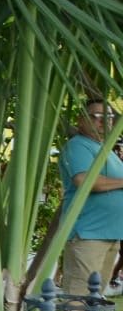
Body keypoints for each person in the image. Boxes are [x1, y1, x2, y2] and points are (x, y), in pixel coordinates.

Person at [57, 96, 123, 297]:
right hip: (88, 234)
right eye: (97, 116)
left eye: (109, 117)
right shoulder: (78, 146)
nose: (104, 121)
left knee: (94, 299)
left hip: (110, 234)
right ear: (81, 120)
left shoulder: (106, 150)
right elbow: (85, 180)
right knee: (79, 298)